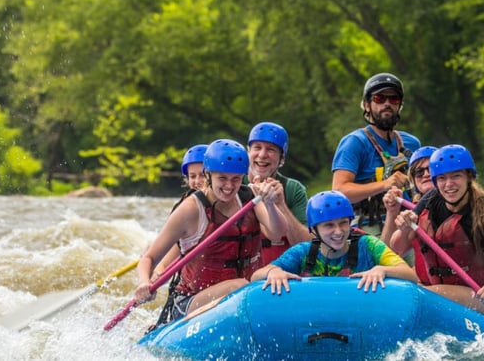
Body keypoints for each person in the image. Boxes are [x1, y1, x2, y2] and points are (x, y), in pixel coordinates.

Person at [133, 139, 285, 327]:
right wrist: (144, 283)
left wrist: (270, 204)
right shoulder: (190, 209)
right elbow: (149, 257)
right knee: (239, 287)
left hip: (244, 294)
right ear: (208, 174)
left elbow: (278, 233)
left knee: (268, 278)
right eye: (222, 178)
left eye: (235, 179)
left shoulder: (249, 197)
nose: (229, 186)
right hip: (192, 301)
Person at [385, 144, 484, 320]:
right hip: (444, 290)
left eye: (456, 176)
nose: (448, 185)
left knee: (416, 294)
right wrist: (404, 227)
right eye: (442, 178)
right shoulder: (430, 199)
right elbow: (397, 247)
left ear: (469, 177)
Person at [249, 190, 417, 294]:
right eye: (329, 225)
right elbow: (256, 276)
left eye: (343, 223)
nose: (338, 231)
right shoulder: (303, 252)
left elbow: (411, 276)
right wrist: (273, 272)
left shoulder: (368, 245)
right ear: (314, 229)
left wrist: (382, 270)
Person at [331, 72, 421, 231]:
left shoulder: (412, 143)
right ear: (367, 105)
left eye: (393, 99)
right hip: (369, 228)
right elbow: (339, 191)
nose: (387, 104)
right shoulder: (355, 142)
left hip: (409, 224)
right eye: (379, 99)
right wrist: (384, 184)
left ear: (399, 106)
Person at [148, 143, 208, 326]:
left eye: (202, 175)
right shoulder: (185, 210)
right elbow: (177, 245)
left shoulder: (232, 203)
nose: (197, 181)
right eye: (192, 176)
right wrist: (159, 270)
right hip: (191, 291)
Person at [245, 122, 311, 264]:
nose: (262, 155)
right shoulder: (233, 184)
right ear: (248, 152)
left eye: (271, 150)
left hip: (281, 269)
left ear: (281, 159)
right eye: (257, 147)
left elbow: (306, 247)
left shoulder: (293, 189)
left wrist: (280, 204)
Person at [380, 145, 437, 255]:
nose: (426, 174)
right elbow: (388, 255)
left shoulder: (462, 201)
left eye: (431, 168)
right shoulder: (414, 211)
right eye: (419, 172)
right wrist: (392, 212)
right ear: (414, 180)